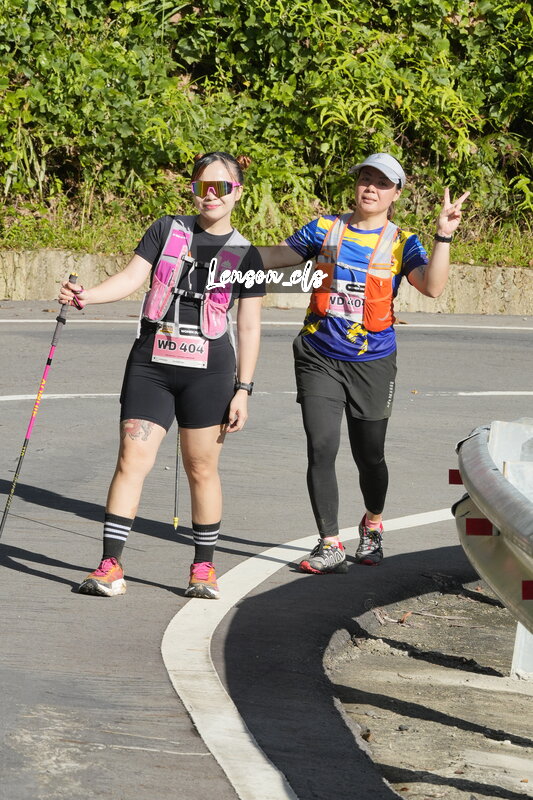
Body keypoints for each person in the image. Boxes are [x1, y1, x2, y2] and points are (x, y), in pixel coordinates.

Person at [59, 151, 265, 599]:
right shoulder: (166, 229)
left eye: (221, 187)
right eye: (201, 186)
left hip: (209, 373)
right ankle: (111, 566)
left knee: (201, 467)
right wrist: (86, 296)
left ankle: (203, 569)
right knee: (131, 459)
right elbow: (131, 277)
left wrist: (243, 389)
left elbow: (249, 327)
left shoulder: (247, 254)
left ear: (237, 193)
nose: (210, 195)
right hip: (151, 365)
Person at [258, 152, 469, 574]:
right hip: (319, 355)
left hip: (373, 362)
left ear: (396, 194)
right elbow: (276, 256)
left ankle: (372, 523)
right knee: (321, 446)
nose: (370, 188)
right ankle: (329, 543)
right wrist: (219, 252)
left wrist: (443, 236)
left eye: (382, 183)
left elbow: (432, 287)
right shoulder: (325, 228)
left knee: (369, 456)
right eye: (365, 179)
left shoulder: (402, 241)